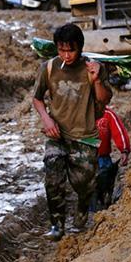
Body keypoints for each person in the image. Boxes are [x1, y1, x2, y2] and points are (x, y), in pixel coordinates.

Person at [32, 23, 112, 241]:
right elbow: (37, 98)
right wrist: (47, 119)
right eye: (61, 49)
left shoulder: (93, 68)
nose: (66, 55)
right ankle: (56, 225)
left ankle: (82, 213)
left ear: (80, 48)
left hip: (85, 136)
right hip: (57, 136)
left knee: (84, 184)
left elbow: (104, 100)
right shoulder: (48, 68)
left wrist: (96, 81)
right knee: (53, 175)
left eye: (71, 50)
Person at [94, 106, 130, 210]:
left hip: (103, 157)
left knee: (106, 180)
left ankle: (106, 204)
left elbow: (119, 131)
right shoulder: (80, 112)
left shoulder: (107, 114)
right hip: (84, 157)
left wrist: (124, 149)